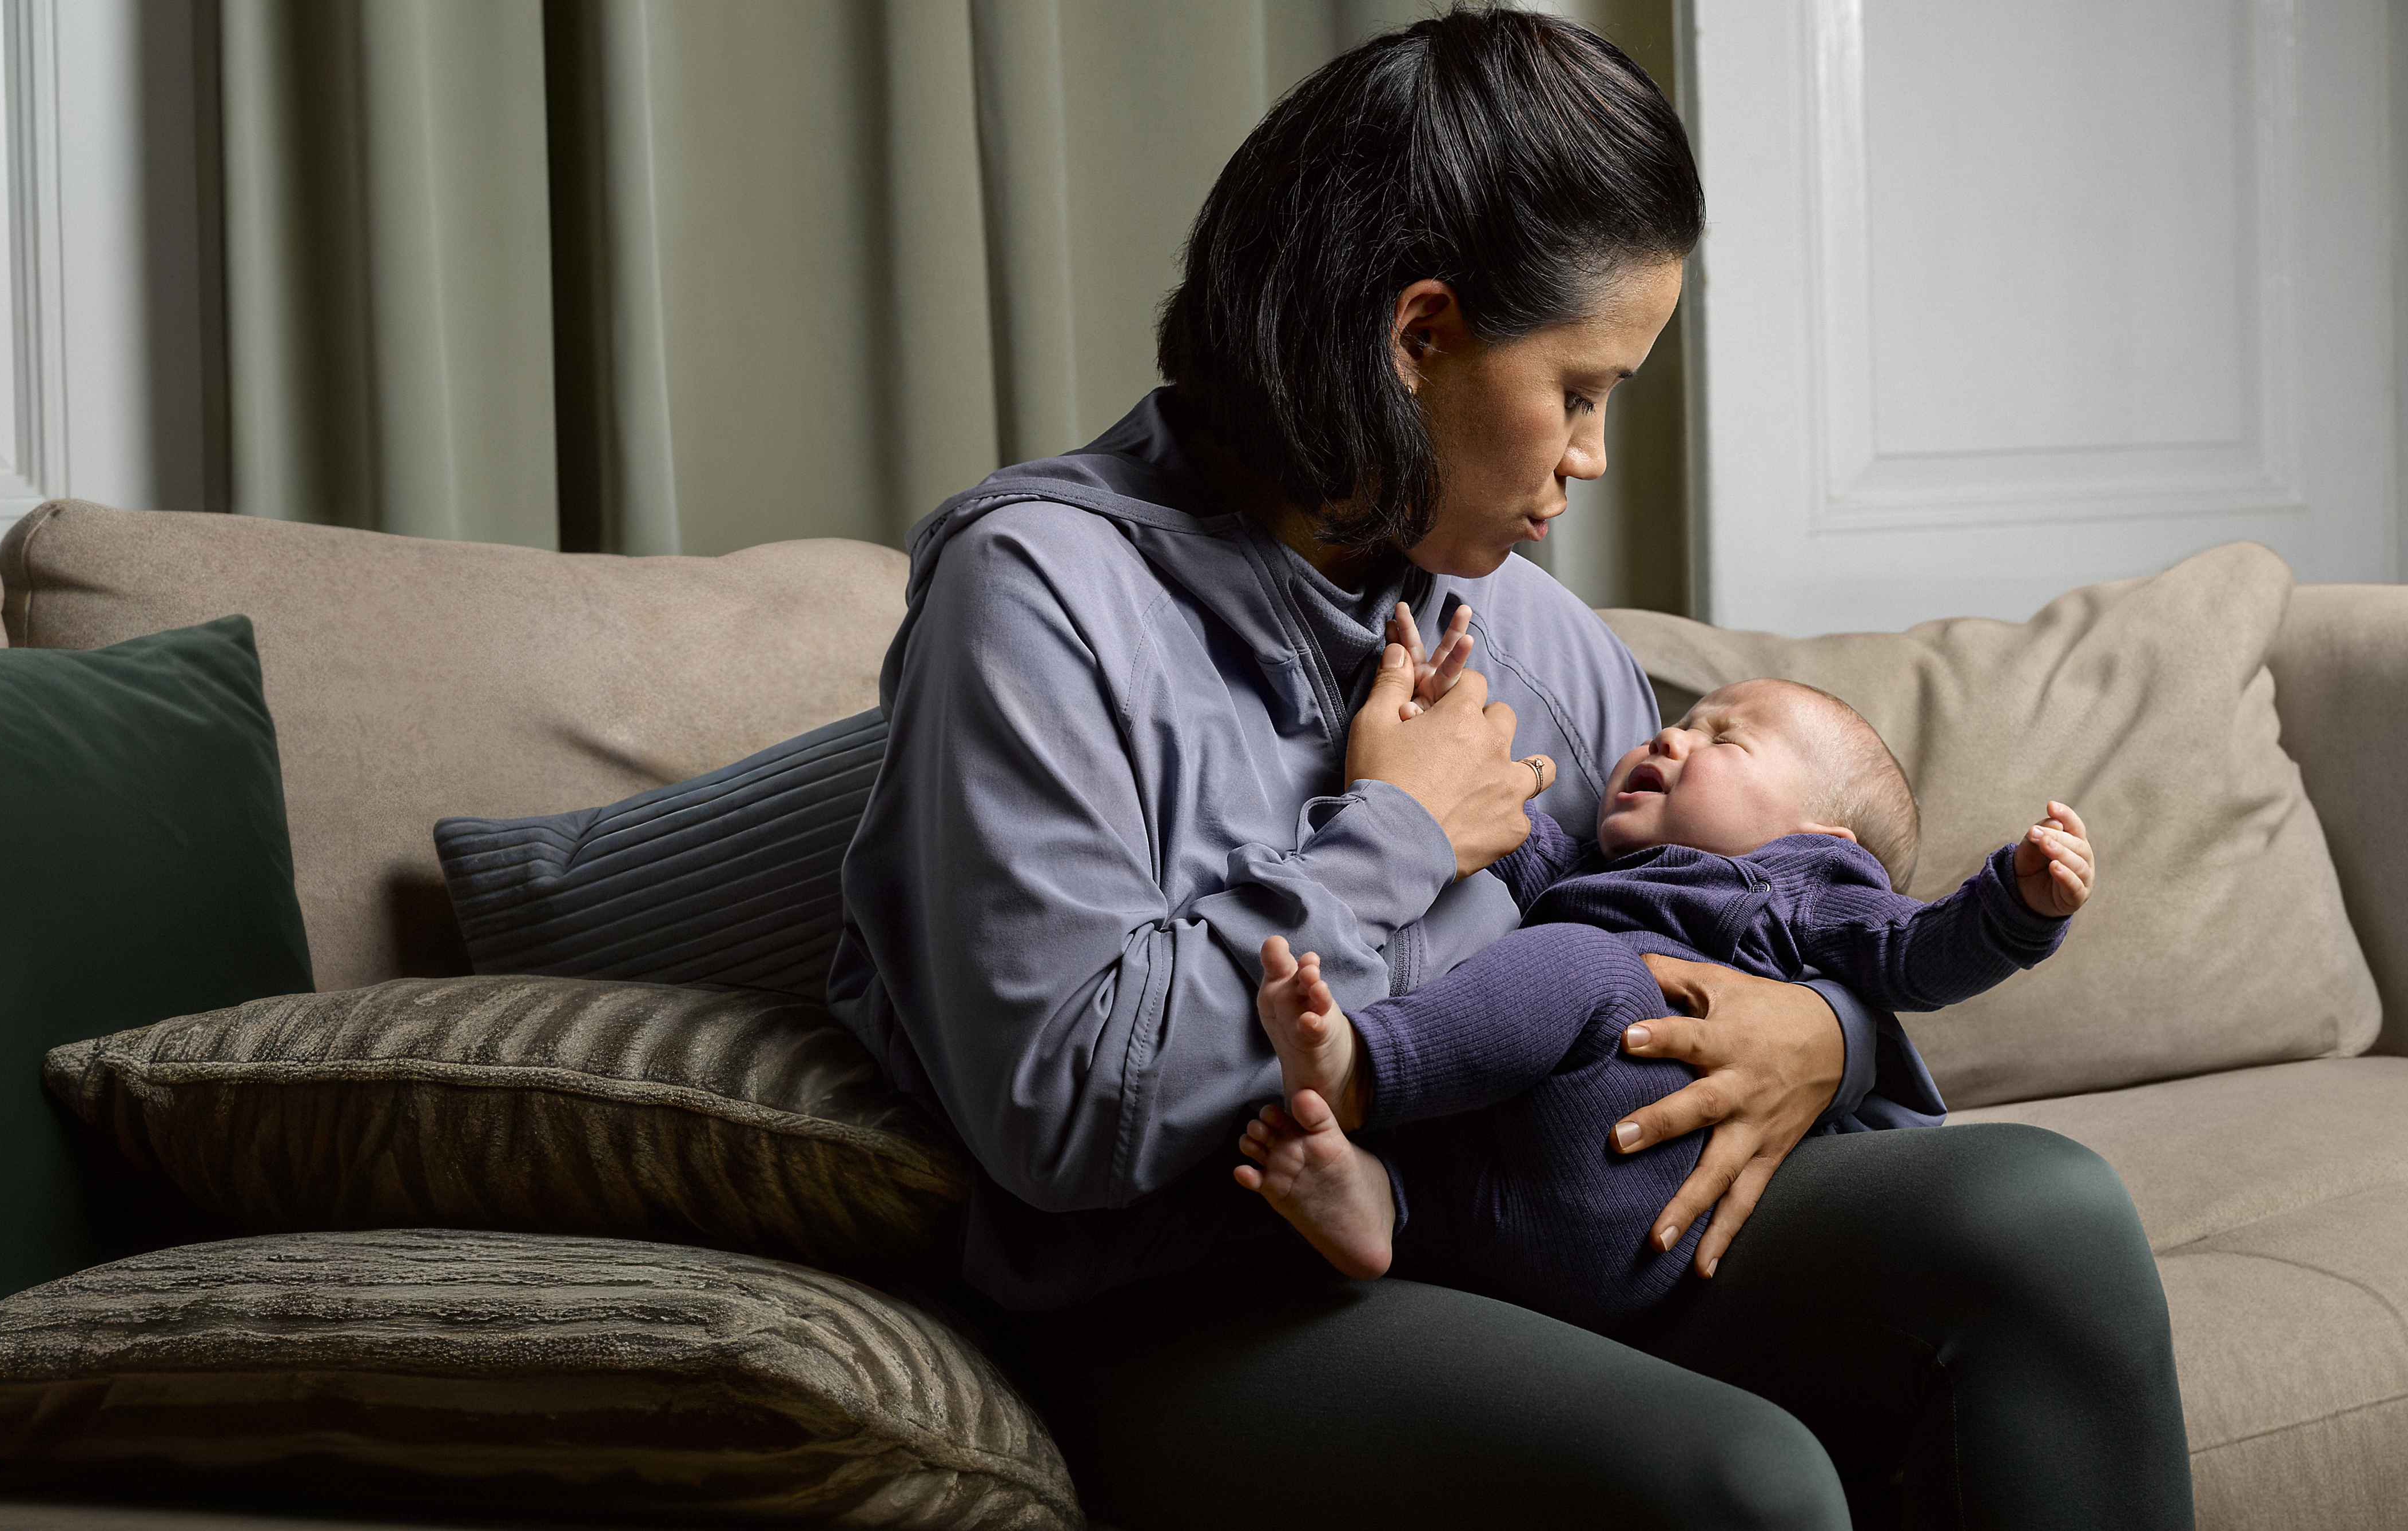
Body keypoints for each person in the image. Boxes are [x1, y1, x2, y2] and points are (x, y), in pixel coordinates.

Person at [828, 10, 2192, 1527]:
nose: (1593, 457)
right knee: (1736, 1484)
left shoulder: (1523, 629)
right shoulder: (1041, 596)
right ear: (1421, 339)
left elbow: (1733, 901)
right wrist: (1397, 830)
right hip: (1202, 1289)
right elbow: (1064, 1104)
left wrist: (1827, 1030)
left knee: (2039, 1209)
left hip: (1534, 1219)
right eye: (1585, 389)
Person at [1233, 676, 2097, 1337]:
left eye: (1724, 737)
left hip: (1643, 1191)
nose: (1673, 736)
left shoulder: (1808, 884)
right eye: (1680, 723)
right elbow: (1494, 834)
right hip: (1521, 1204)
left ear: (1820, 835)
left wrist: (2016, 907)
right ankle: (1379, 1208)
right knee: (1466, 1099)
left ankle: (1368, 1068)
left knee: (1581, 963)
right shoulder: (1583, 868)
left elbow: (1921, 953)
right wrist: (1432, 746)